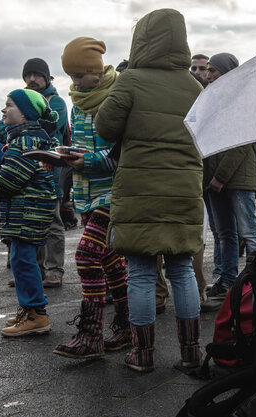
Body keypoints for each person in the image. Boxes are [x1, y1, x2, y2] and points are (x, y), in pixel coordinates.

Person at [94, 8, 204, 372]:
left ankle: (143, 354)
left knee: (141, 271)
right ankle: (191, 351)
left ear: (143, 39)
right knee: (182, 268)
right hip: (184, 188)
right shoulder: (195, 86)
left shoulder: (131, 80)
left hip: (140, 188)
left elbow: (105, 127)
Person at [51, 37, 131, 359]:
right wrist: (61, 157)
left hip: (113, 193)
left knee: (85, 254)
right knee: (111, 261)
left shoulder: (117, 96)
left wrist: (88, 161)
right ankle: (125, 328)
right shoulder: (77, 101)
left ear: (96, 71)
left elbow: (122, 154)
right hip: (86, 193)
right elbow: (80, 146)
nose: (74, 82)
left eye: (79, 75)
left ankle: (90, 334)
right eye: (70, 76)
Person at [0, 89, 57, 336]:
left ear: (26, 114)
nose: (4, 110)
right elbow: (9, 169)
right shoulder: (27, 138)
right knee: (21, 260)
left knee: (23, 262)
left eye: (9, 105)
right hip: (29, 211)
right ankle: (30, 309)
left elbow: (8, 182)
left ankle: (36, 314)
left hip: (27, 212)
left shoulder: (24, 140)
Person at [0, 58, 69, 288]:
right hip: (20, 168)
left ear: (47, 77)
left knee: (52, 221)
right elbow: (2, 127)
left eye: (37, 75)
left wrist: (20, 120)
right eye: (27, 75)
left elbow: (48, 125)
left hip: (48, 168)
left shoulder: (56, 101)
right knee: (28, 220)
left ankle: (54, 270)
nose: (31, 79)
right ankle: (32, 270)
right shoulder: (18, 100)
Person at [201, 52, 256, 309]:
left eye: (213, 70)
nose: (208, 75)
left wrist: (220, 177)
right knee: (224, 233)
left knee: (248, 232)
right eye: (206, 70)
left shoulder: (242, 101)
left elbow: (239, 145)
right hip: (215, 179)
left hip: (235, 179)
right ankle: (227, 282)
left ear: (227, 72)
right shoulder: (211, 99)